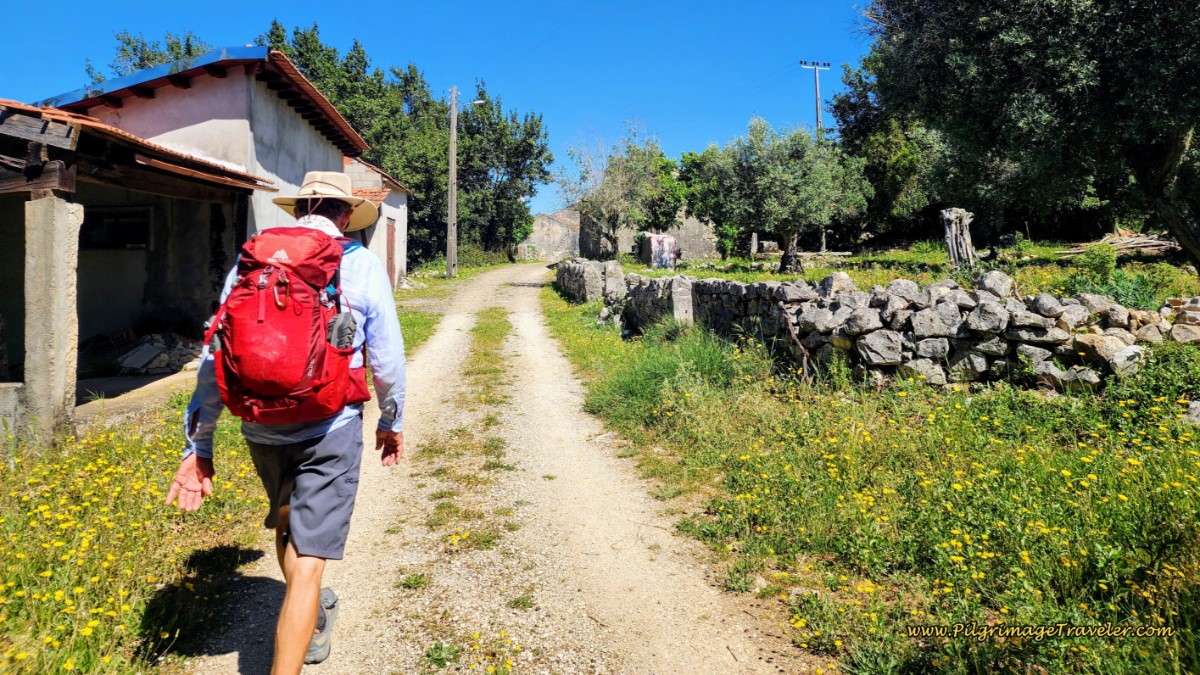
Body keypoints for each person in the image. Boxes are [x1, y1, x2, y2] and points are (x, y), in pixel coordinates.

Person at [166, 171, 407, 673]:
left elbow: (216, 353)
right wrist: (390, 417)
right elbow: (385, 354)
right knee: (309, 561)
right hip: (331, 422)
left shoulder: (251, 261)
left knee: (284, 517)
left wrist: (198, 447)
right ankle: (306, 630)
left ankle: (312, 608)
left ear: (299, 210)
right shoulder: (358, 263)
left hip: (260, 422)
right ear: (345, 216)